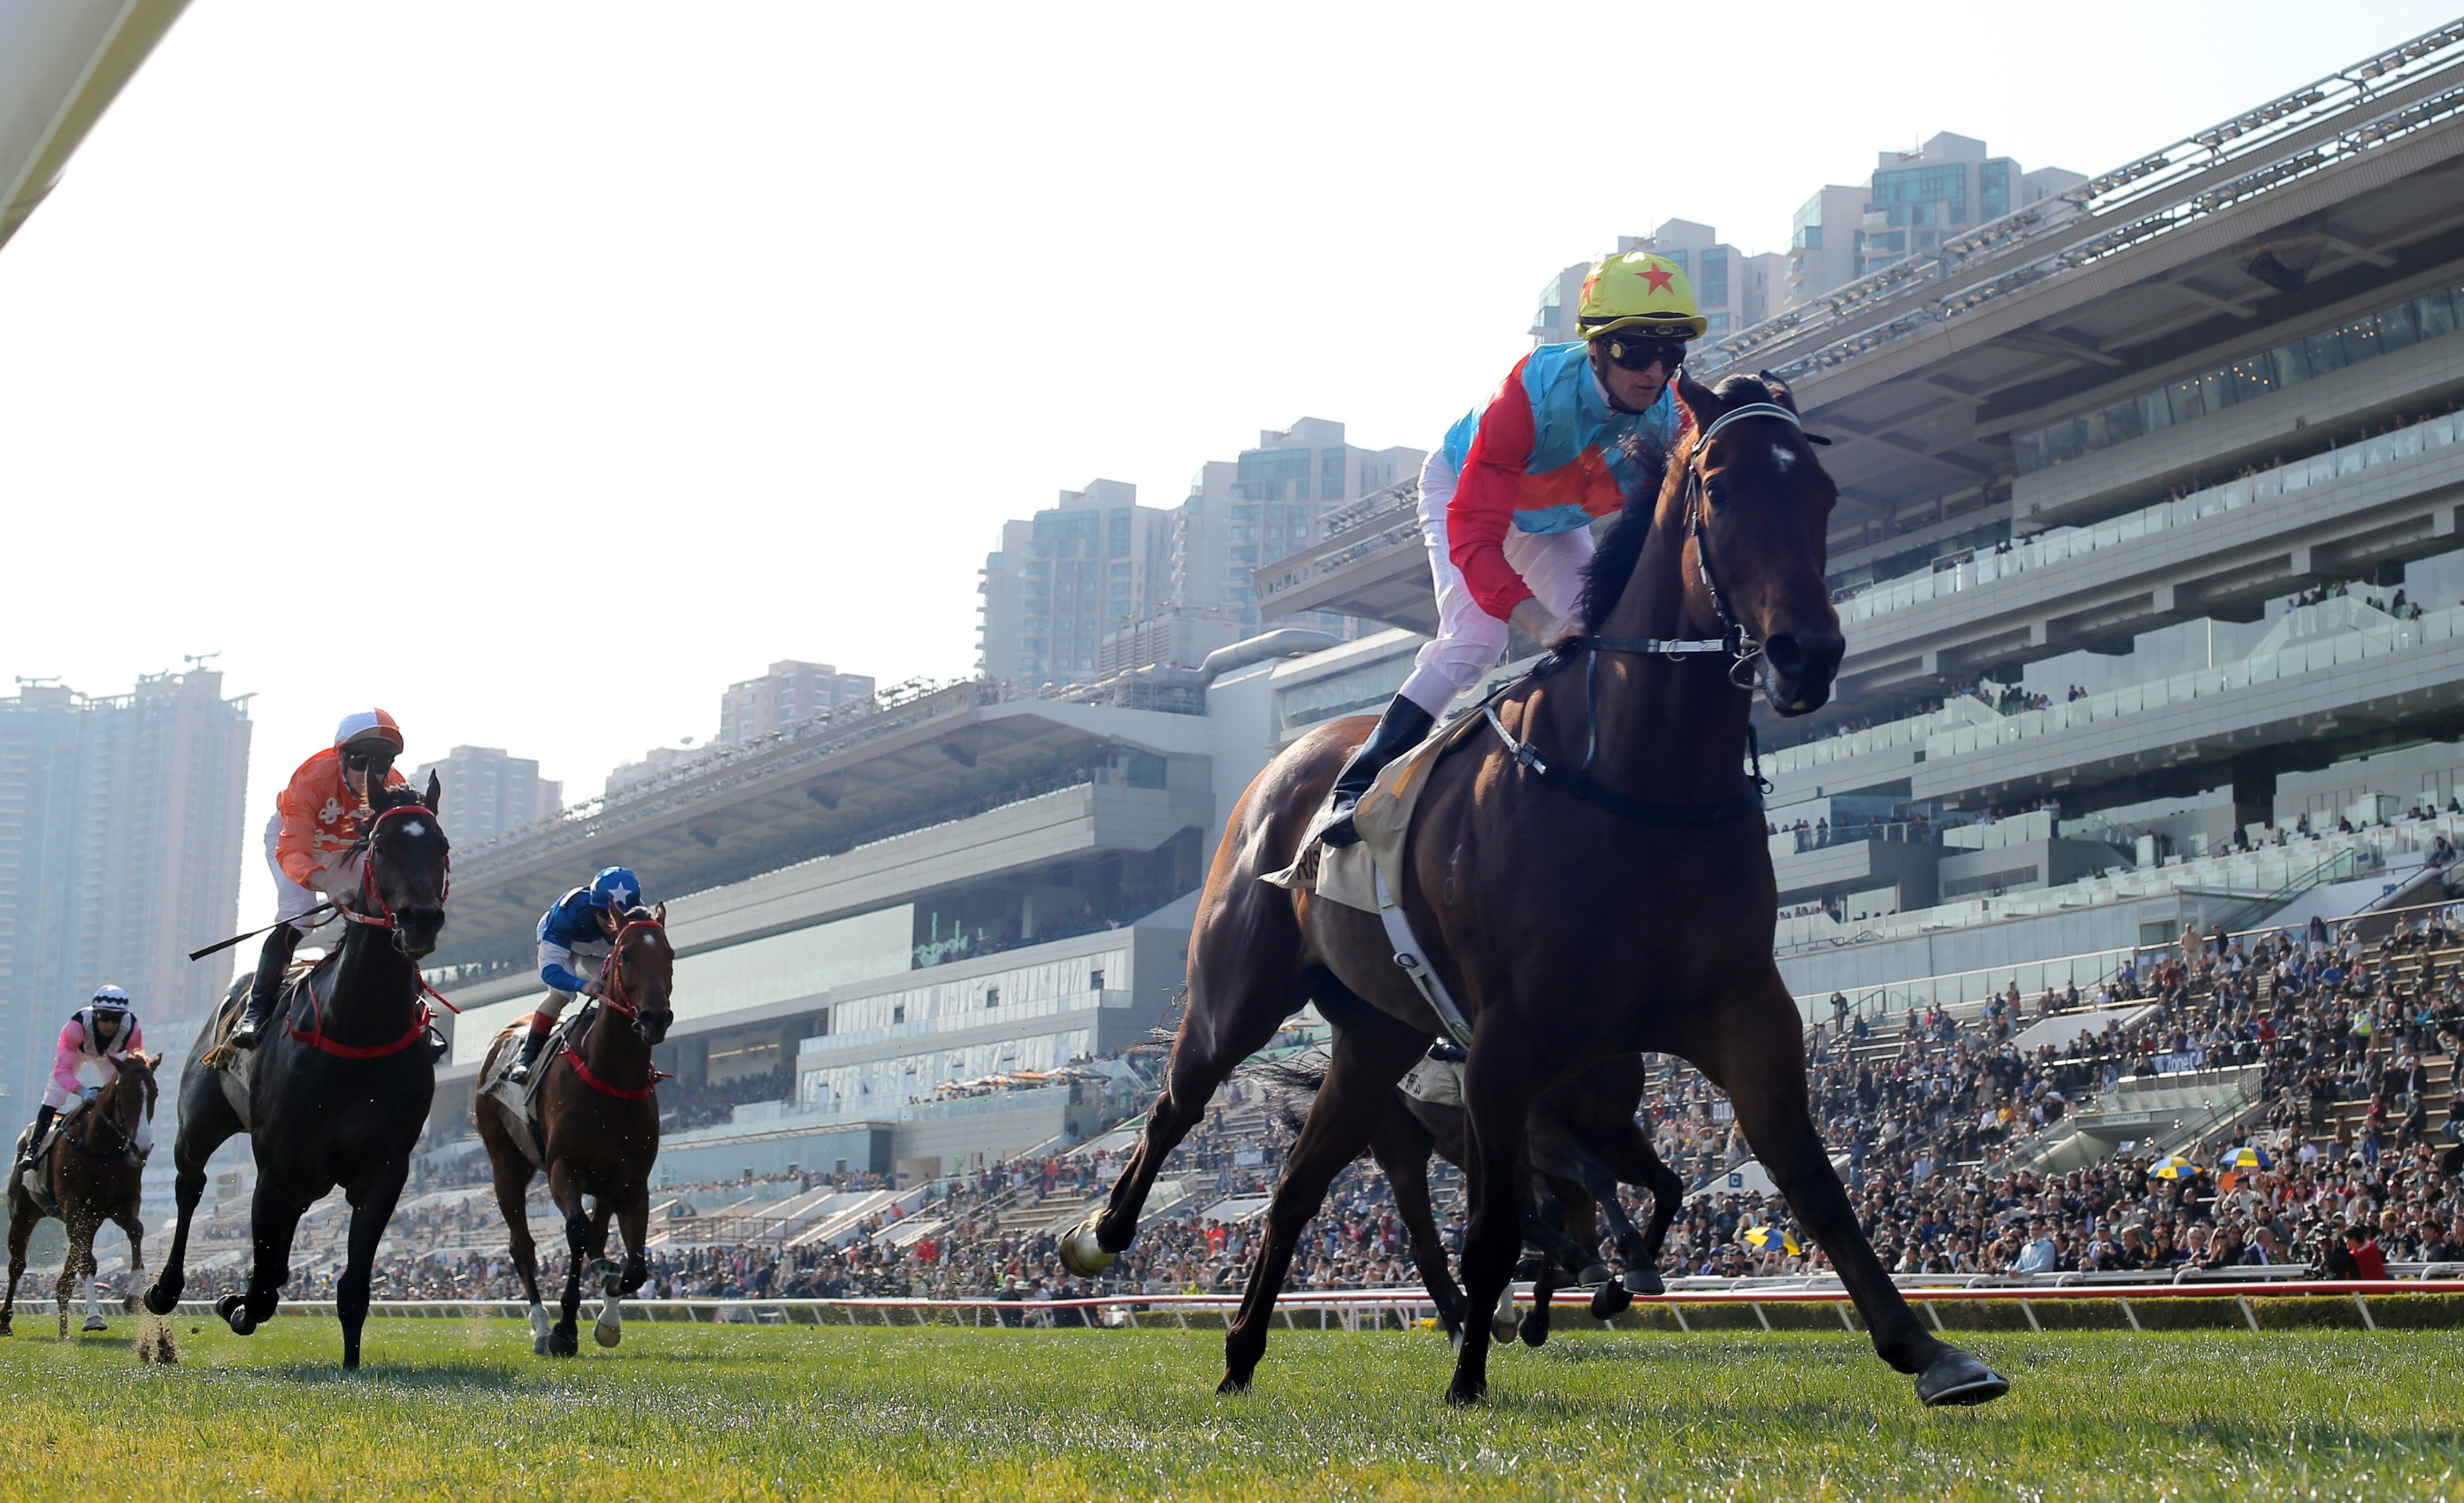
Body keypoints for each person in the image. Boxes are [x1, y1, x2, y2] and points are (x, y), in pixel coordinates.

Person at [1318, 249, 1701, 846]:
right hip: (1466, 492)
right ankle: (1356, 784)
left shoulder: (1670, 417)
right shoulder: (1528, 394)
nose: (1654, 371)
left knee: (1597, 628)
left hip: (1549, 516)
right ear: (1596, 347)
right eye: (1636, 350)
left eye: (1671, 352)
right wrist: (1538, 621)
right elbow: (1475, 535)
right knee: (1478, 639)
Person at [232, 711, 409, 1050]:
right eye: (361, 762)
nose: (370, 774)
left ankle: (409, 1005)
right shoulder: (311, 780)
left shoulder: (393, 787)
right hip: (299, 843)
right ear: (341, 756)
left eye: (382, 763)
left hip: (348, 847)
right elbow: (294, 853)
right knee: (300, 914)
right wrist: (328, 885)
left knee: (388, 912)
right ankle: (257, 1011)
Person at [507, 866, 648, 1084]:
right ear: (596, 910)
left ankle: (637, 1059)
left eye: (623, 918)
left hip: (598, 947)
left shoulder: (638, 917)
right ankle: (527, 1057)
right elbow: (551, 972)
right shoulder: (566, 917)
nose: (615, 926)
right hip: (568, 941)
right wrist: (582, 985)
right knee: (562, 993)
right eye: (608, 917)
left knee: (620, 989)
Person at [16, 986, 148, 1189]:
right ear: (95, 1014)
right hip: (78, 1052)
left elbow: (133, 1065)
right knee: (54, 1096)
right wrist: (82, 1091)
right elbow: (62, 1071)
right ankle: (32, 1150)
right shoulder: (76, 1027)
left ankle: (129, 1147)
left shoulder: (133, 1030)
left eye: (116, 1018)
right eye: (104, 1017)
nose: (110, 1024)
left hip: (111, 1055)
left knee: (123, 1095)